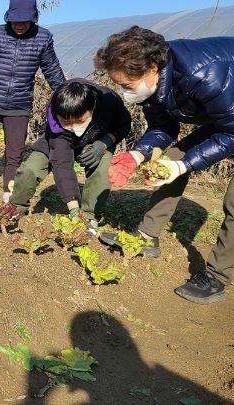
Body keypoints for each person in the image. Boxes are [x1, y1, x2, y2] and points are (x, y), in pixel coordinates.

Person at [94, 26, 234, 304]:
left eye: (127, 86)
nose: (125, 94)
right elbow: (163, 126)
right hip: (228, 118)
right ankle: (147, 236)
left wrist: (184, 166)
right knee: (170, 159)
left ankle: (217, 276)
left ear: (152, 68)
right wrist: (139, 154)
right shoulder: (157, 80)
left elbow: (232, 134)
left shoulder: (206, 75)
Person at [0, 0, 65, 205]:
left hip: (19, 105)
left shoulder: (43, 38)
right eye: (15, 20)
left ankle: (8, 193)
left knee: (14, 153)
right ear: (8, 17)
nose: (19, 25)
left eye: (24, 21)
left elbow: (52, 70)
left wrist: (68, 96)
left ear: (33, 17)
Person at [2, 79, 131, 232]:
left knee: (102, 172)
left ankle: (89, 215)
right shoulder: (57, 117)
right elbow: (62, 164)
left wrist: (104, 143)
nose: (73, 127)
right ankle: (16, 206)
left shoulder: (109, 101)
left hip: (97, 142)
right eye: (67, 122)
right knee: (31, 168)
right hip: (58, 142)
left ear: (93, 107)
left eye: (80, 121)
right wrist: (73, 208)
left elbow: (124, 125)